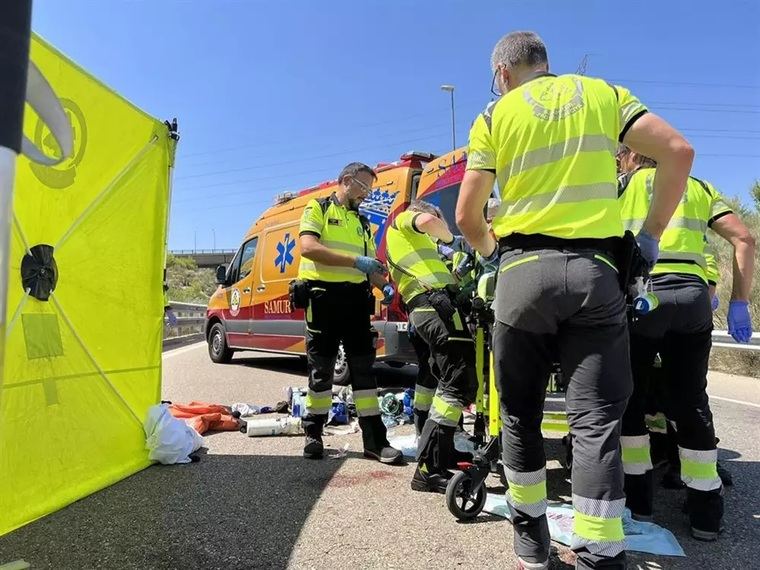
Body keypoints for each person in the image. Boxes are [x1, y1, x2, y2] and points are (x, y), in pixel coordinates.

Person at [456, 30, 692, 569]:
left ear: (502, 74)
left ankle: (531, 544)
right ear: (546, 63)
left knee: (518, 415)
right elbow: (678, 150)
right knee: (595, 422)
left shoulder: (494, 116)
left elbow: (468, 217)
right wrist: (650, 237)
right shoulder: (603, 94)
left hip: (521, 277)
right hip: (595, 276)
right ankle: (600, 554)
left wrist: (494, 255)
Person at [617, 146, 755, 539]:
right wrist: (739, 302)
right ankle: (705, 511)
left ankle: (639, 503)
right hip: (693, 299)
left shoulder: (623, 185)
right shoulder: (697, 185)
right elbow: (744, 238)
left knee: (632, 400)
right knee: (691, 399)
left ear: (631, 156)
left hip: (644, 293)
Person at [297, 162, 402, 464]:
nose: (367, 194)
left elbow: (368, 267)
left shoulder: (362, 223)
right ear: (345, 180)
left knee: (364, 373)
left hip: (355, 302)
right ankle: (313, 433)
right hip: (323, 299)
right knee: (322, 371)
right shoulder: (318, 208)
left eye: (370, 189)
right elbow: (308, 247)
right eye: (364, 186)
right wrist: (357, 262)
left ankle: (374, 441)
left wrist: (384, 285)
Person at [385, 200, 477, 492]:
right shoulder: (407, 221)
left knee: (451, 380)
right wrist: (452, 237)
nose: (440, 227)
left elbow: (441, 277)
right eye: (439, 219)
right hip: (432, 307)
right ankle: (428, 468)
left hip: (437, 306)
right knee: (456, 378)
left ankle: (442, 453)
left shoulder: (421, 248)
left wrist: (457, 278)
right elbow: (426, 222)